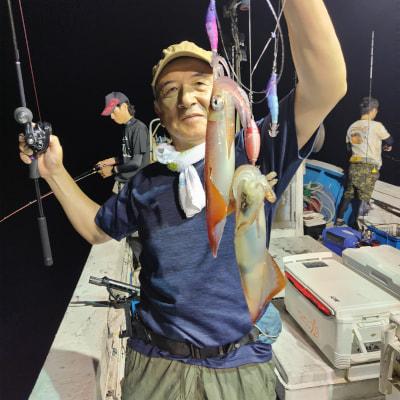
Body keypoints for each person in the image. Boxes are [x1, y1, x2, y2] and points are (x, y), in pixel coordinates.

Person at [18, 1, 346, 398]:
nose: (187, 98)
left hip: (239, 366)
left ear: (222, 91)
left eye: (200, 85)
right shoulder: (146, 182)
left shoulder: (255, 149)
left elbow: (328, 85)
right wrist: (54, 171)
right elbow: (96, 229)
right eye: (171, 91)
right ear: (159, 109)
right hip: (156, 367)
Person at [336, 97, 393, 226]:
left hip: (354, 166)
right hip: (370, 167)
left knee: (348, 194)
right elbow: (390, 140)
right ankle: (360, 226)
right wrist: (387, 146)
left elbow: (350, 147)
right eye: (376, 111)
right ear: (373, 110)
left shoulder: (353, 127)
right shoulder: (377, 126)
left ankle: (338, 221)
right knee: (365, 197)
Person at [97, 92, 150, 193]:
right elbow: (128, 157)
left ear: (124, 107)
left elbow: (136, 163)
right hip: (122, 182)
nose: (111, 117)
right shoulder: (126, 128)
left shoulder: (139, 128)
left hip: (134, 185)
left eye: (113, 112)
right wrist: (110, 161)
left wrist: (112, 170)